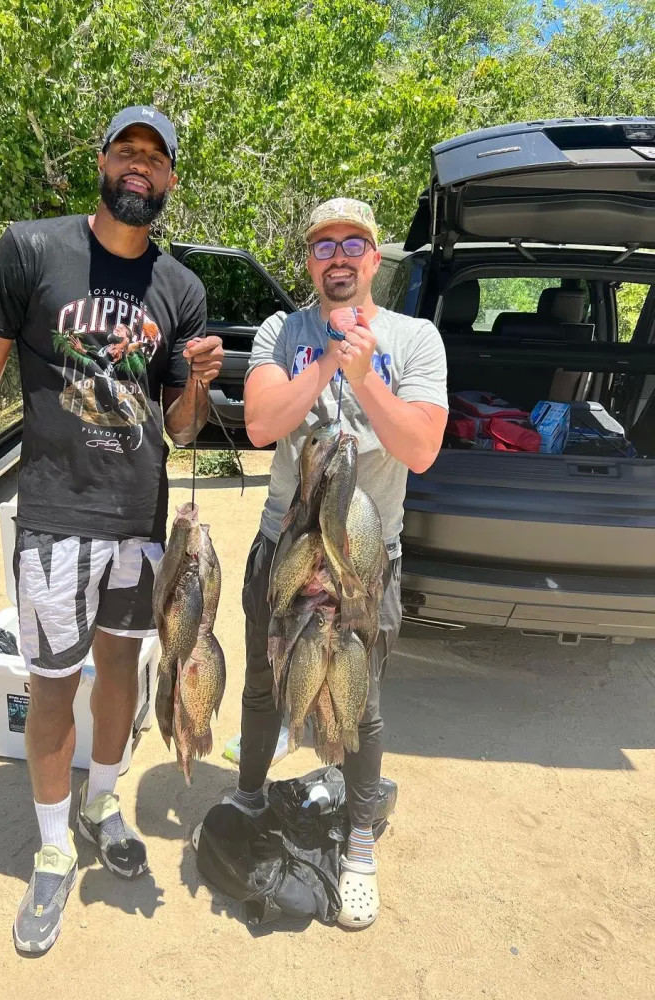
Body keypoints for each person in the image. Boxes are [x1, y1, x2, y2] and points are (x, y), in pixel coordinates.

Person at [0, 106, 224, 954]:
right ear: (102, 162)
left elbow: (180, 429)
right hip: (57, 519)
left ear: (171, 180)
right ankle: (55, 845)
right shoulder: (32, 250)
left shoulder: (180, 288)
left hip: (139, 527)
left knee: (119, 674)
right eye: (127, 151)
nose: (140, 167)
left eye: (157, 159)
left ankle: (103, 799)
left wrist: (202, 382)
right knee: (52, 684)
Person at [224, 197, 447, 929]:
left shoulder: (416, 338)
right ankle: (250, 795)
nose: (339, 256)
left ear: (375, 259)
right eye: (324, 246)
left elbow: (419, 448)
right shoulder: (281, 331)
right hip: (286, 546)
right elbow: (260, 424)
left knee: (362, 703)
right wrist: (324, 362)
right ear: (311, 263)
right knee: (263, 680)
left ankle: (358, 845)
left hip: (361, 560)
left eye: (355, 243)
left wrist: (366, 375)